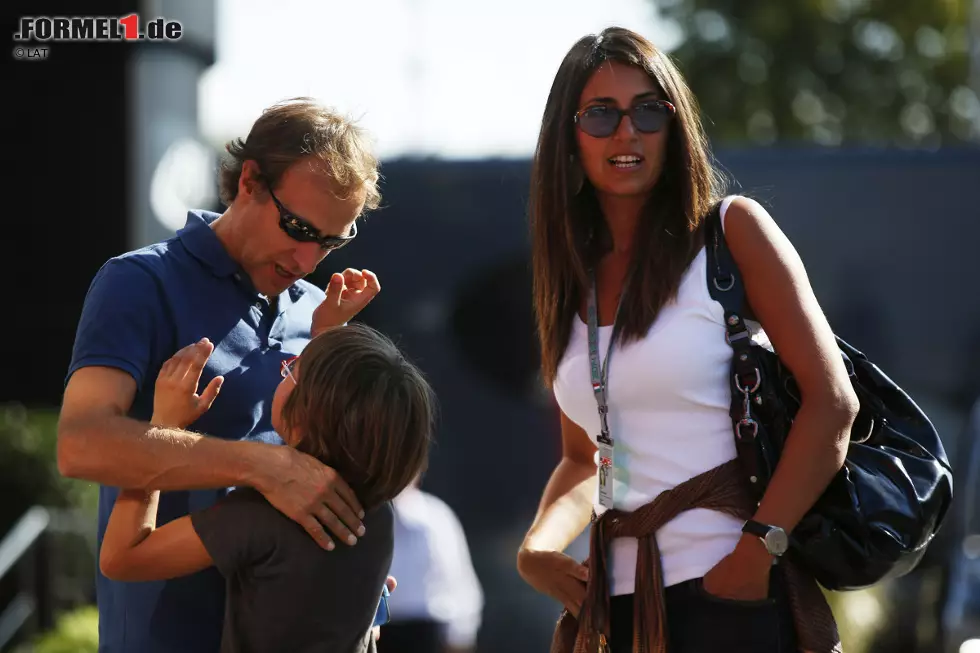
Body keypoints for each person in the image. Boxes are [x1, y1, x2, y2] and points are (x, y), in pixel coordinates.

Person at [516, 28, 859, 653]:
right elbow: (584, 457)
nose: (628, 132)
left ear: (675, 129)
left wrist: (755, 555)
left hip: (732, 595)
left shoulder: (733, 232)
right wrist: (538, 549)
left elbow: (833, 403)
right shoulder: (570, 278)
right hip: (616, 608)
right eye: (601, 115)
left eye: (650, 110)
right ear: (567, 137)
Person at [57, 98, 387, 653]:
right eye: (298, 227)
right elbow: (80, 444)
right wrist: (267, 467)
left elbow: (331, 477)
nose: (307, 260)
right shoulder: (140, 281)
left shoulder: (319, 311)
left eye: (331, 242)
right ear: (249, 181)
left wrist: (364, 593)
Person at [99, 323, 435, 653]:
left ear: (306, 413)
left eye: (290, 371)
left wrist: (163, 428)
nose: (281, 374)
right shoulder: (379, 512)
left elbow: (122, 558)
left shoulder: (263, 514)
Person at [377, 480, 484, 653]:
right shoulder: (360, 517)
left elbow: (460, 586)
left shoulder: (437, 517)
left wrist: (460, 637)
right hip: (376, 633)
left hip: (427, 635)